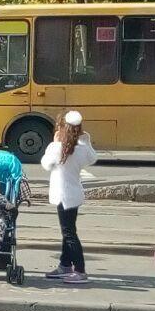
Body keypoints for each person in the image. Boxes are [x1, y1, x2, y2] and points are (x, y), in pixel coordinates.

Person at [41, 110, 97, 284]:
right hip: (74, 195)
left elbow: (46, 165)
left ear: (62, 128)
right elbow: (92, 158)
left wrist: (55, 142)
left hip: (62, 196)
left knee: (69, 233)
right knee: (69, 230)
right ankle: (65, 265)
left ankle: (80, 270)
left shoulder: (57, 148)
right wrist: (85, 138)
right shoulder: (81, 149)